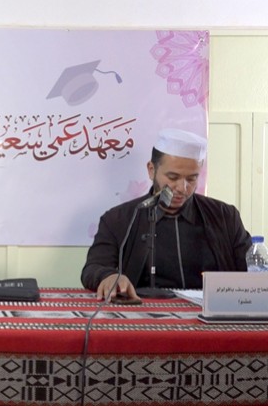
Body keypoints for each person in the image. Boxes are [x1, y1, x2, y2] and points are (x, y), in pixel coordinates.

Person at [81, 128, 251, 301]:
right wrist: (108, 276)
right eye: (173, 177)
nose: (182, 188)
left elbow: (253, 268)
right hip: (143, 312)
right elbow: (93, 268)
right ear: (151, 170)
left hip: (210, 311)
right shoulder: (118, 219)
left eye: (191, 179)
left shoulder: (225, 216)